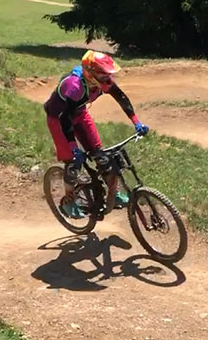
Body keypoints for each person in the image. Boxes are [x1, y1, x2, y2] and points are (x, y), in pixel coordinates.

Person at [44, 50, 149, 219]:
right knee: (72, 161)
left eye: (108, 75)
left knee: (102, 156)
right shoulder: (75, 86)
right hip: (59, 119)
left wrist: (137, 122)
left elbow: (121, 97)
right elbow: (65, 119)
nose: (107, 79)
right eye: (103, 75)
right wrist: (73, 148)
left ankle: (113, 196)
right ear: (90, 74)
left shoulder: (102, 82)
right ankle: (69, 202)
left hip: (79, 115)